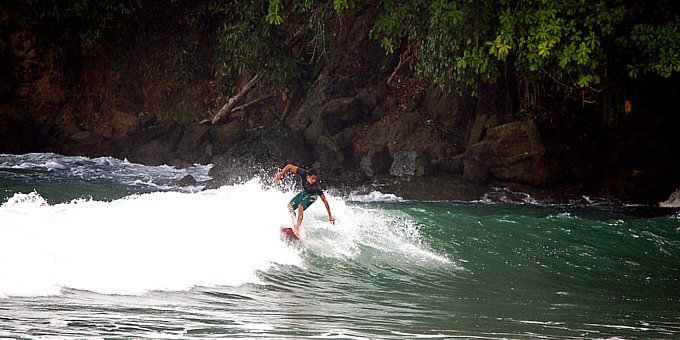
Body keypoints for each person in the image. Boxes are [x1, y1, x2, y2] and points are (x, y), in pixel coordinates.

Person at [274, 164, 335, 234]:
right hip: (305, 192)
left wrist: (330, 216)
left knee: (300, 206)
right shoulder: (303, 173)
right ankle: (294, 223)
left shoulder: (317, 187)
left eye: (315, 179)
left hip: (313, 196)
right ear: (308, 176)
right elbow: (289, 166)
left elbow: (325, 201)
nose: (314, 180)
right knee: (289, 207)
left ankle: (297, 228)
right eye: (312, 178)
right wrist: (281, 174)